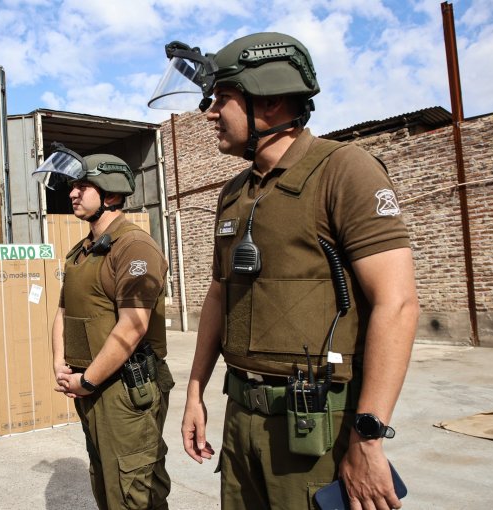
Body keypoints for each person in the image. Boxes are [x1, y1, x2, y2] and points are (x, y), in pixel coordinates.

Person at [149, 33, 420, 509]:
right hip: (240, 420)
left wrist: (368, 438)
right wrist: (196, 394)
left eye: (222, 99)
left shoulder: (344, 170)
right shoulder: (233, 192)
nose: (209, 113)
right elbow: (219, 294)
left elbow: (396, 304)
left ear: (269, 101)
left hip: (313, 427)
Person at [35, 146, 174, 509]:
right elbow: (62, 312)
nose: (72, 193)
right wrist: (60, 363)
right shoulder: (81, 252)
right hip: (93, 387)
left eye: (83, 185)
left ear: (110, 193)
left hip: (126, 390)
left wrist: (88, 380)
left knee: (134, 491)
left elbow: (133, 326)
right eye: (73, 186)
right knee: (106, 482)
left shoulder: (134, 247)